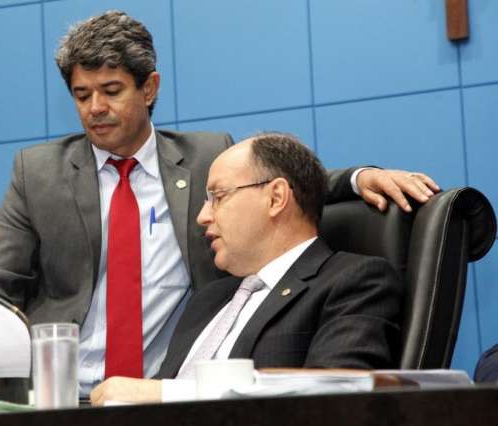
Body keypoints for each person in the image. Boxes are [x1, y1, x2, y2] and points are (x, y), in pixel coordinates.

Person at [0, 11, 438, 402]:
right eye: (81, 94)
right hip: (57, 396)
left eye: (111, 91)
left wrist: (358, 178)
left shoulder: (205, 158)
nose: (95, 108)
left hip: (163, 394)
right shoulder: (37, 172)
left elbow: (276, 182)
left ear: (149, 88)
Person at [90, 132, 403, 405]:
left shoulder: (354, 282)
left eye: (217, 197)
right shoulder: (207, 300)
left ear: (276, 198)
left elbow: (336, 398)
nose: (202, 216)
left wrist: (166, 394)